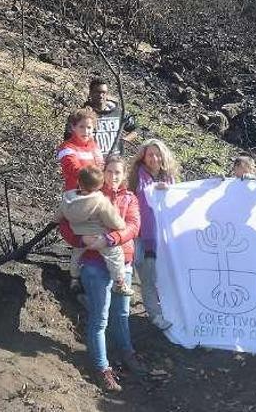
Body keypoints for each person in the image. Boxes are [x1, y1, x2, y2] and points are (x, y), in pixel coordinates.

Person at [58, 156, 144, 392]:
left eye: (118, 172)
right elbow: (64, 222)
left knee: (122, 312)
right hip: (94, 263)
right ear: (102, 172)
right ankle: (101, 367)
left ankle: (127, 353)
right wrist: (79, 239)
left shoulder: (129, 198)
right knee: (100, 317)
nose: (114, 176)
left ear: (124, 175)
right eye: (110, 171)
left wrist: (110, 238)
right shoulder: (88, 195)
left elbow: (133, 226)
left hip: (122, 262)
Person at [57, 165, 132, 297]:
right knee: (115, 255)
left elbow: (59, 215)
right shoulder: (100, 202)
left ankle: (74, 278)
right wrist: (121, 225)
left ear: (79, 182)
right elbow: (112, 220)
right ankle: (119, 282)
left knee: (76, 255)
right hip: (98, 235)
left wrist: (54, 220)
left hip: (79, 234)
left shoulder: (68, 199)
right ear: (99, 185)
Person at [129, 139, 179, 331]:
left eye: (157, 154)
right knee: (147, 278)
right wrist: (152, 191)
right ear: (144, 156)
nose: (154, 158)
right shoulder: (136, 177)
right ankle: (155, 316)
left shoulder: (171, 180)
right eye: (150, 154)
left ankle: (168, 311)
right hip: (142, 236)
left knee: (165, 278)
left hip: (165, 239)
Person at [65, 77, 138, 156]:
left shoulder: (118, 112)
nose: (101, 95)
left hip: (114, 163)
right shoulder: (81, 114)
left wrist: (125, 140)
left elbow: (136, 129)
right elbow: (68, 138)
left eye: (104, 92)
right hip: (91, 162)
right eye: (97, 92)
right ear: (90, 93)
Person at [58, 108, 104, 191]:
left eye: (89, 127)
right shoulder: (67, 148)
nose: (86, 131)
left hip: (96, 192)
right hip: (76, 193)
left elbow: (101, 166)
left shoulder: (94, 146)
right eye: (81, 127)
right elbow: (74, 168)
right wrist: (94, 177)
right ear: (73, 127)